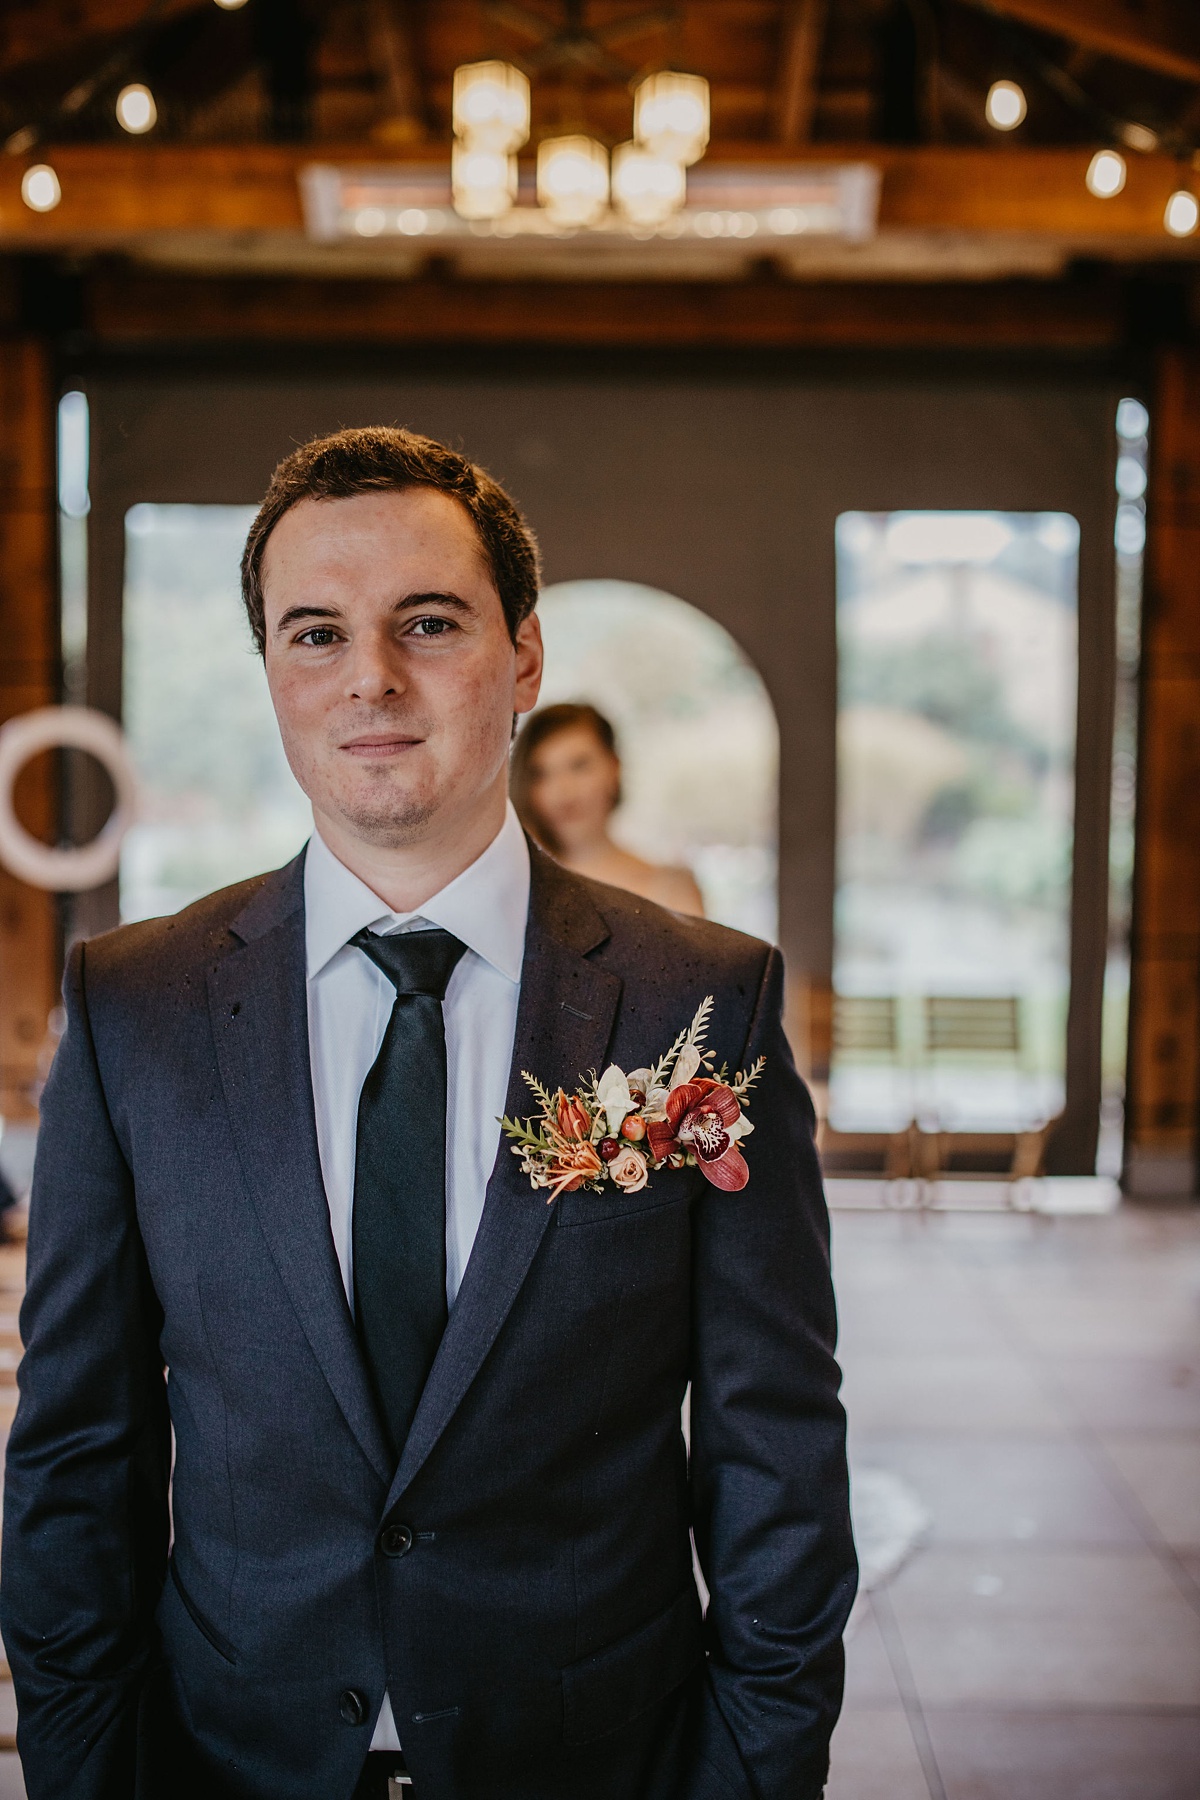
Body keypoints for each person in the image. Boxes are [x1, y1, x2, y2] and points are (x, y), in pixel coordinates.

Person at [2, 427, 855, 1800]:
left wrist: (751, 1773)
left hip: (597, 1758)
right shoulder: (134, 1007)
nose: (371, 681)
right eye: (316, 634)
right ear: (272, 673)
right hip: (228, 1759)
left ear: (524, 656)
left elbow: (778, 1452)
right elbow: (78, 1453)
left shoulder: (706, 1003)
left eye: (429, 623)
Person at [511, 703, 705, 917]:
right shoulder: (511, 885)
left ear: (614, 767)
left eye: (579, 766)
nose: (563, 792)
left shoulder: (672, 889)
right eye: (542, 774)